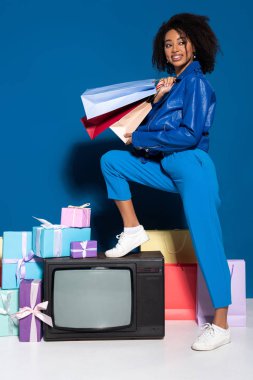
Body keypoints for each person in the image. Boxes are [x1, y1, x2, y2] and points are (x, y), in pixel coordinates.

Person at [100, 13, 232, 351]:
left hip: (192, 166)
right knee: (112, 160)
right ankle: (132, 229)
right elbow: (158, 132)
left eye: (181, 42)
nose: (174, 48)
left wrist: (140, 137)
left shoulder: (198, 83)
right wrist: (157, 102)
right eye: (168, 44)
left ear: (195, 45)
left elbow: (187, 135)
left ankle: (221, 323)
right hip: (167, 166)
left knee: (206, 239)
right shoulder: (172, 85)